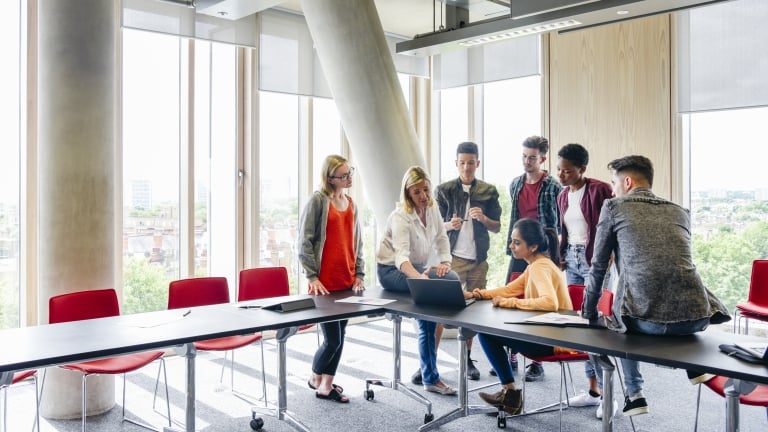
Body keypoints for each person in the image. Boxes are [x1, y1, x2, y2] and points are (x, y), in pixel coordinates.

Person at [581, 155, 731, 417]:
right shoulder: (679, 210)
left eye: (614, 183)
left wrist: (588, 314)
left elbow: (598, 266)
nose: (613, 189)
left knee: (615, 318)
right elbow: (669, 266)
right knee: (671, 284)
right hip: (698, 318)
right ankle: (693, 364)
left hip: (645, 323)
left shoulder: (614, 207)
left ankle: (634, 394)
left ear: (627, 182)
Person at [411, 142, 500, 384]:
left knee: (471, 312)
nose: (467, 167)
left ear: (477, 163)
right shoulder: (443, 190)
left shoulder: (489, 191)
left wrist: (484, 218)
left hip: (479, 261)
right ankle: (428, 364)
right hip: (451, 260)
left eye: (471, 162)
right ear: (456, 163)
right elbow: (433, 227)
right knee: (439, 311)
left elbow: (498, 226)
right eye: (462, 162)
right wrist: (451, 224)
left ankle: (467, 358)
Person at [467, 218, 574, 415]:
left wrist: (510, 303)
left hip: (552, 340)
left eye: (517, 243)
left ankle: (511, 395)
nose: (511, 246)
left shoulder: (540, 267)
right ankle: (510, 396)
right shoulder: (537, 264)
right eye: (512, 241)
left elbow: (550, 302)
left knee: (485, 333)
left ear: (533, 246)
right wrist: (477, 294)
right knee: (490, 331)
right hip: (548, 334)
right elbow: (509, 290)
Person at [377, 165, 460, 396]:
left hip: (417, 267)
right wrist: (420, 279)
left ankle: (428, 367)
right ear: (407, 194)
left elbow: (443, 239)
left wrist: (445, 263)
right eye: (417, 192)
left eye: (426, 190)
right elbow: (401, 258)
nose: (423, 196)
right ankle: (430, 377)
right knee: (428, 310)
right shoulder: (400, 217)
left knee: (450, 279)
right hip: (391, 270)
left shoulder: (431, 208)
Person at [298, 155, 366, 404]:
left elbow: (357, 242)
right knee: (333, 339)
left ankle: (326, 385)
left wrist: (359, 273)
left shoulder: (350, 203)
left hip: (347, 281)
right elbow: (304, 242)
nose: (349, 178)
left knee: (342, 334)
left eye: (350, 173)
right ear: (330, 178)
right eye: (344, 175)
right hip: (324, 285)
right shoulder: (318, 201)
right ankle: (315, 376)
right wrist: (312, 276)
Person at [555, 143, 614, 419]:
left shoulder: (600, 189)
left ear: (582, 169)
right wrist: (562, 255)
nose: (561, 175)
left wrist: (611, 254)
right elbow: (564, 229)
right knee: (579, 326)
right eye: (559, 170)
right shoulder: (563, 196)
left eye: (567, 171)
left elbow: (611, 225)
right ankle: (593, 391)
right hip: (573, 259)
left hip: (594, 262)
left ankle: (609, 395)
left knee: (597, 327)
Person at [504, 135, 562, 382]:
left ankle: (537, 361)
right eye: (524, 157)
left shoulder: (554, 187)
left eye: (532, 158)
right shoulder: (516, 184)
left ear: (543, 159)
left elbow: (561, 223)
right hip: (519, 249)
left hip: (543, 251)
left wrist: (560, 253)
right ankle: (513, 352)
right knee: (512, 294)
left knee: (540, 304)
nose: (527, 162)